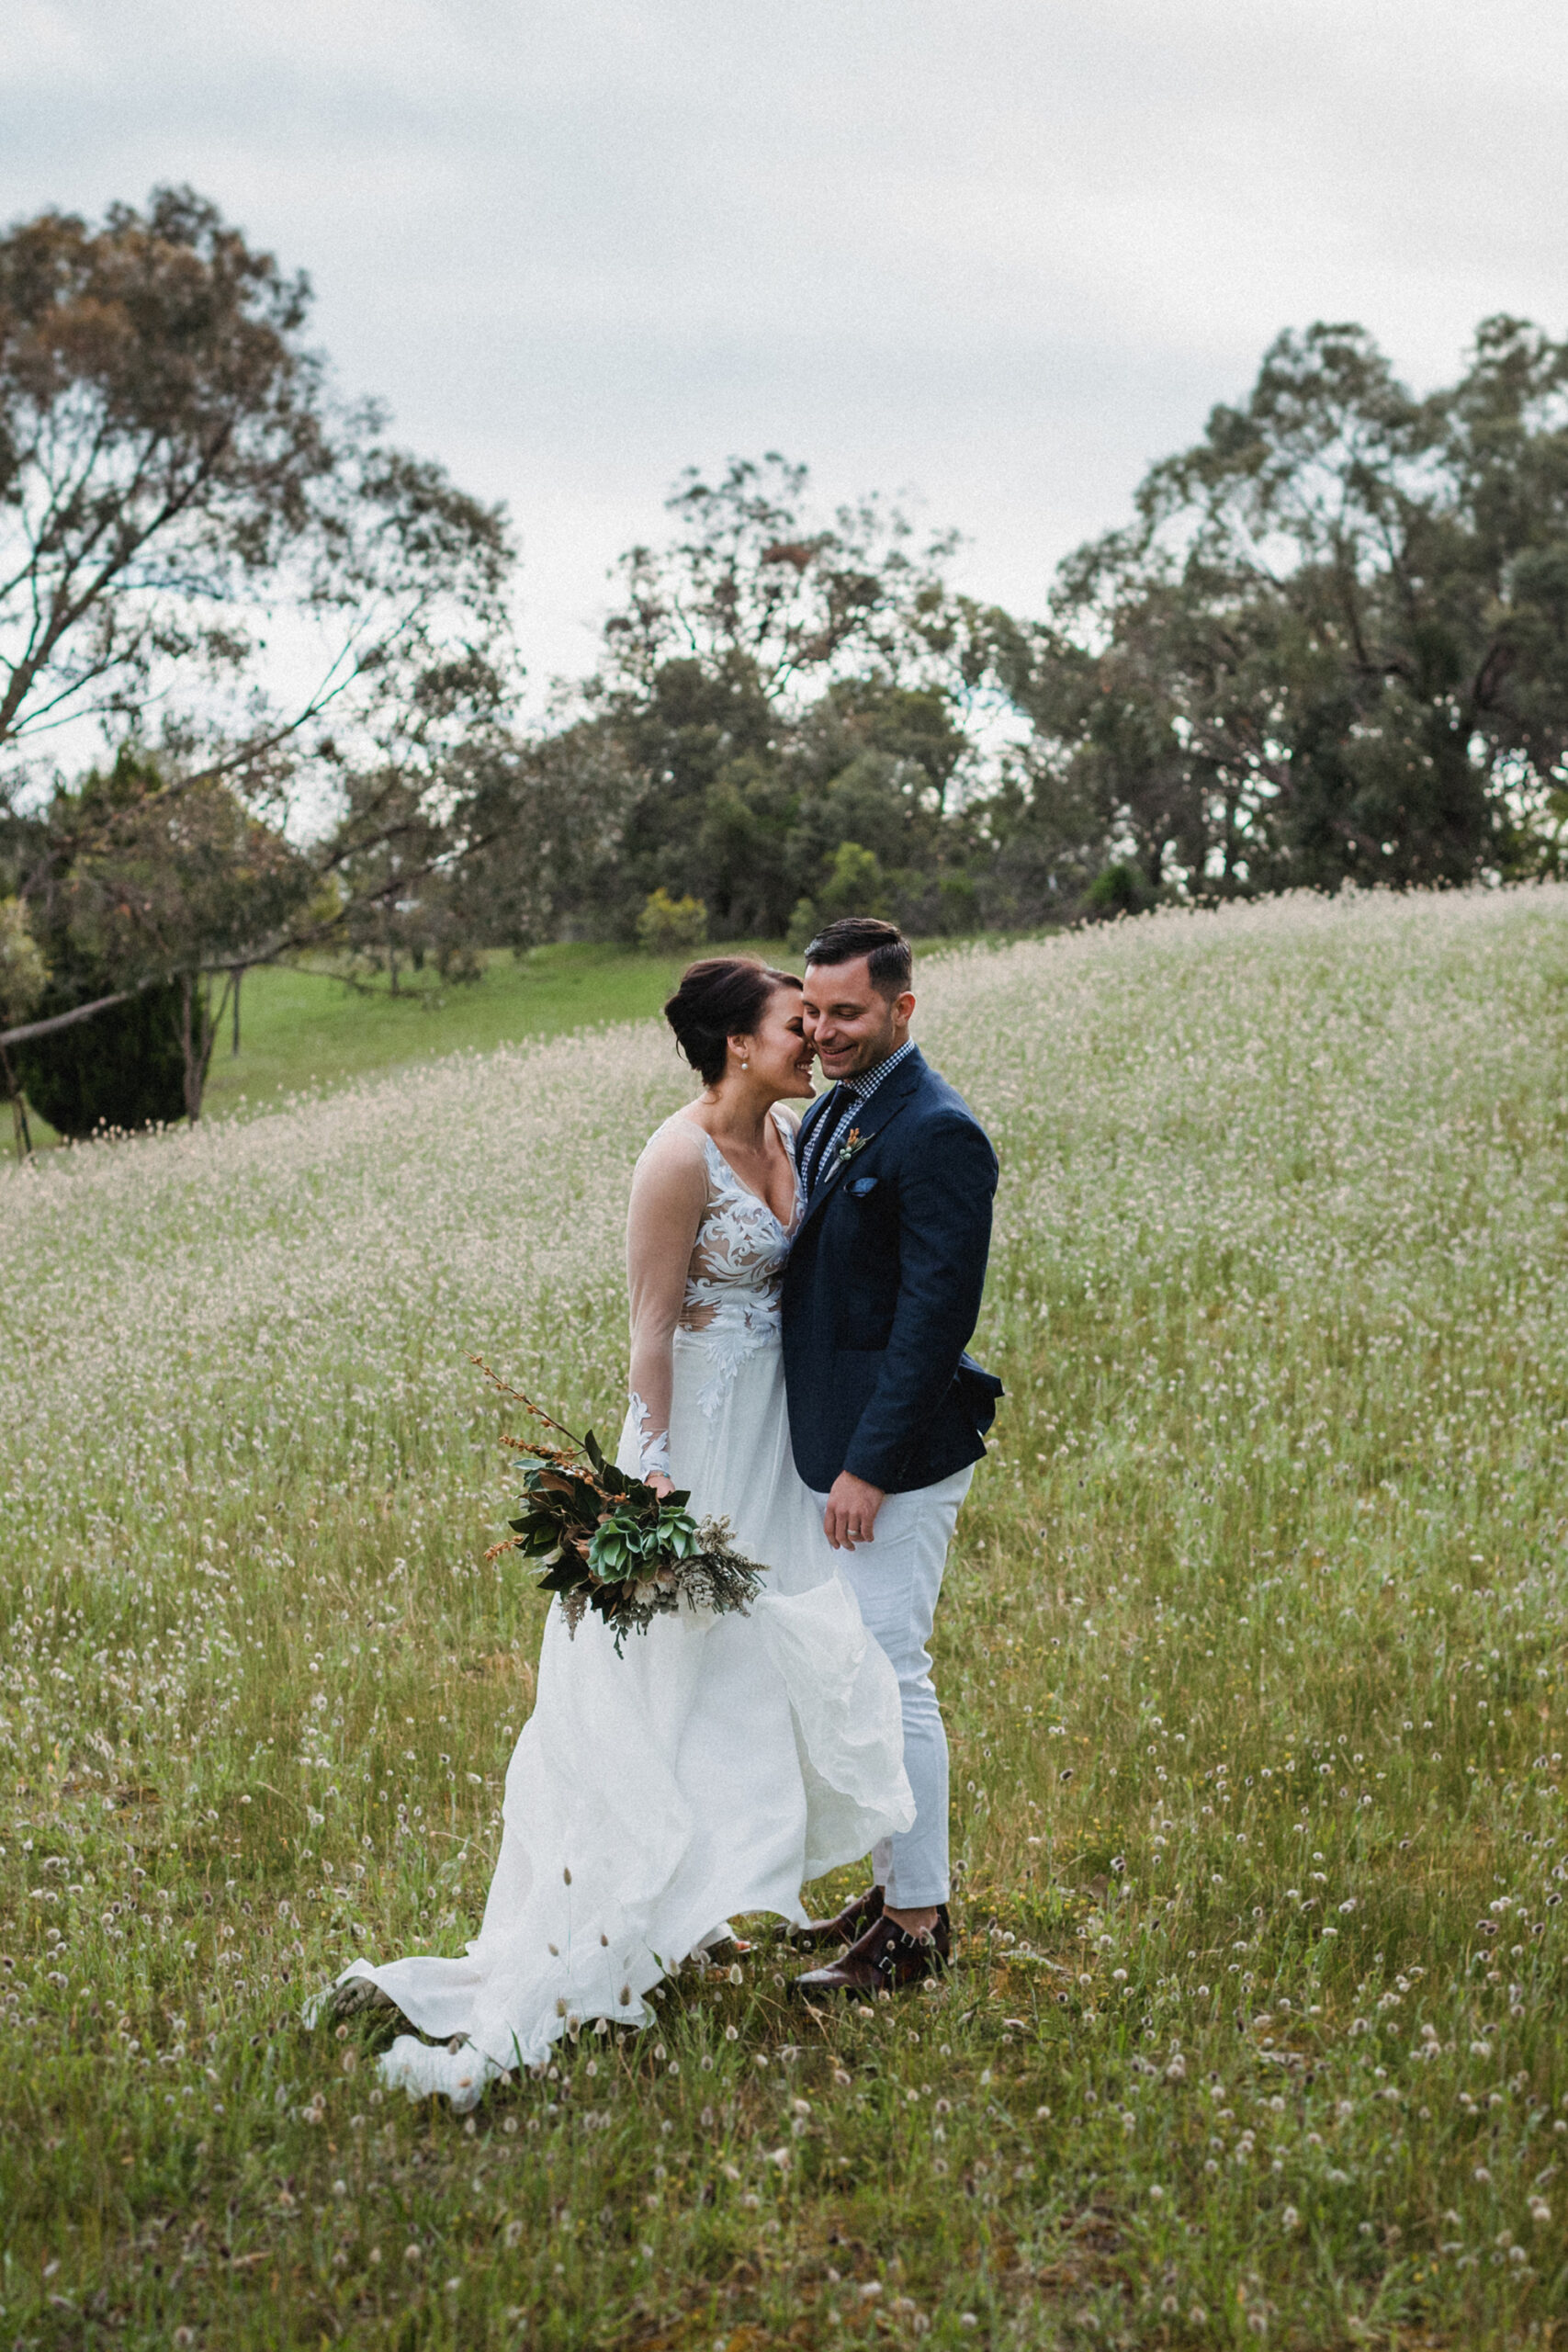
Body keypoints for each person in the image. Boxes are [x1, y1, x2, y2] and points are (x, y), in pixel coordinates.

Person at [315, 957, 913, 2108]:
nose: (816, 1041)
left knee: (751, 1664)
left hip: (773, 1439)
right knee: (658, 1677)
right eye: (798, 1024)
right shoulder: (675, 1156)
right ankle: (622, 1911)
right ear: (739, 1043)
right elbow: (649, 1331)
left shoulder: (795, 1137)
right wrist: (654, 1489)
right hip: (694, 1442)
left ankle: (704, 1900)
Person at [780, 917, 1002, 1996]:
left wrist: (866, 1464)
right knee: (859, 1675)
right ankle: (893, 1880)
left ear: (903, 1009)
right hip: (839, 1447)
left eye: (848, 1013)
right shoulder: (836, 1111)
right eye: (812, 1010)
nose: (823, 1030)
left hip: (899, 1457)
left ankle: (917, 1926)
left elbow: (933, 1319)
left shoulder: (937, 1129)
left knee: (892, 1675)